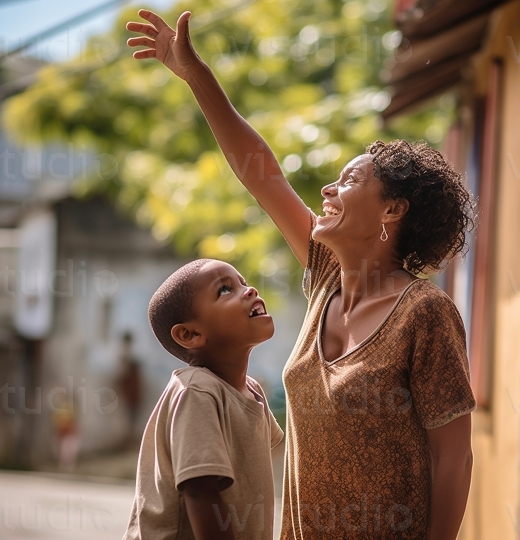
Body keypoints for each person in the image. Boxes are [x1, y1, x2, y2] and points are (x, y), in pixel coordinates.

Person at [126, 11, 477, 539]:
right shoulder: (325, 281)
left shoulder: (425, 314)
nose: (327, 192)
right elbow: (258, 168)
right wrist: (196, 76)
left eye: (349, 181)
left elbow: (454, 459)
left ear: (391, 211)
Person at [123, 259, 283, 540]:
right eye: (224, 290)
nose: (249, 290)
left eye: (243, 282)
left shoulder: (252, 390)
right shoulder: (197, 391)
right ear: (190, 334)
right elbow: (199, 489)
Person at [116, 331, 142, 448]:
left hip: (132, 392)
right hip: (129, 392)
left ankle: (130, 441)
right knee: (129, 417)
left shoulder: (127, 356)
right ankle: (128, 440)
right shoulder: (124, 356)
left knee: (131, 418)